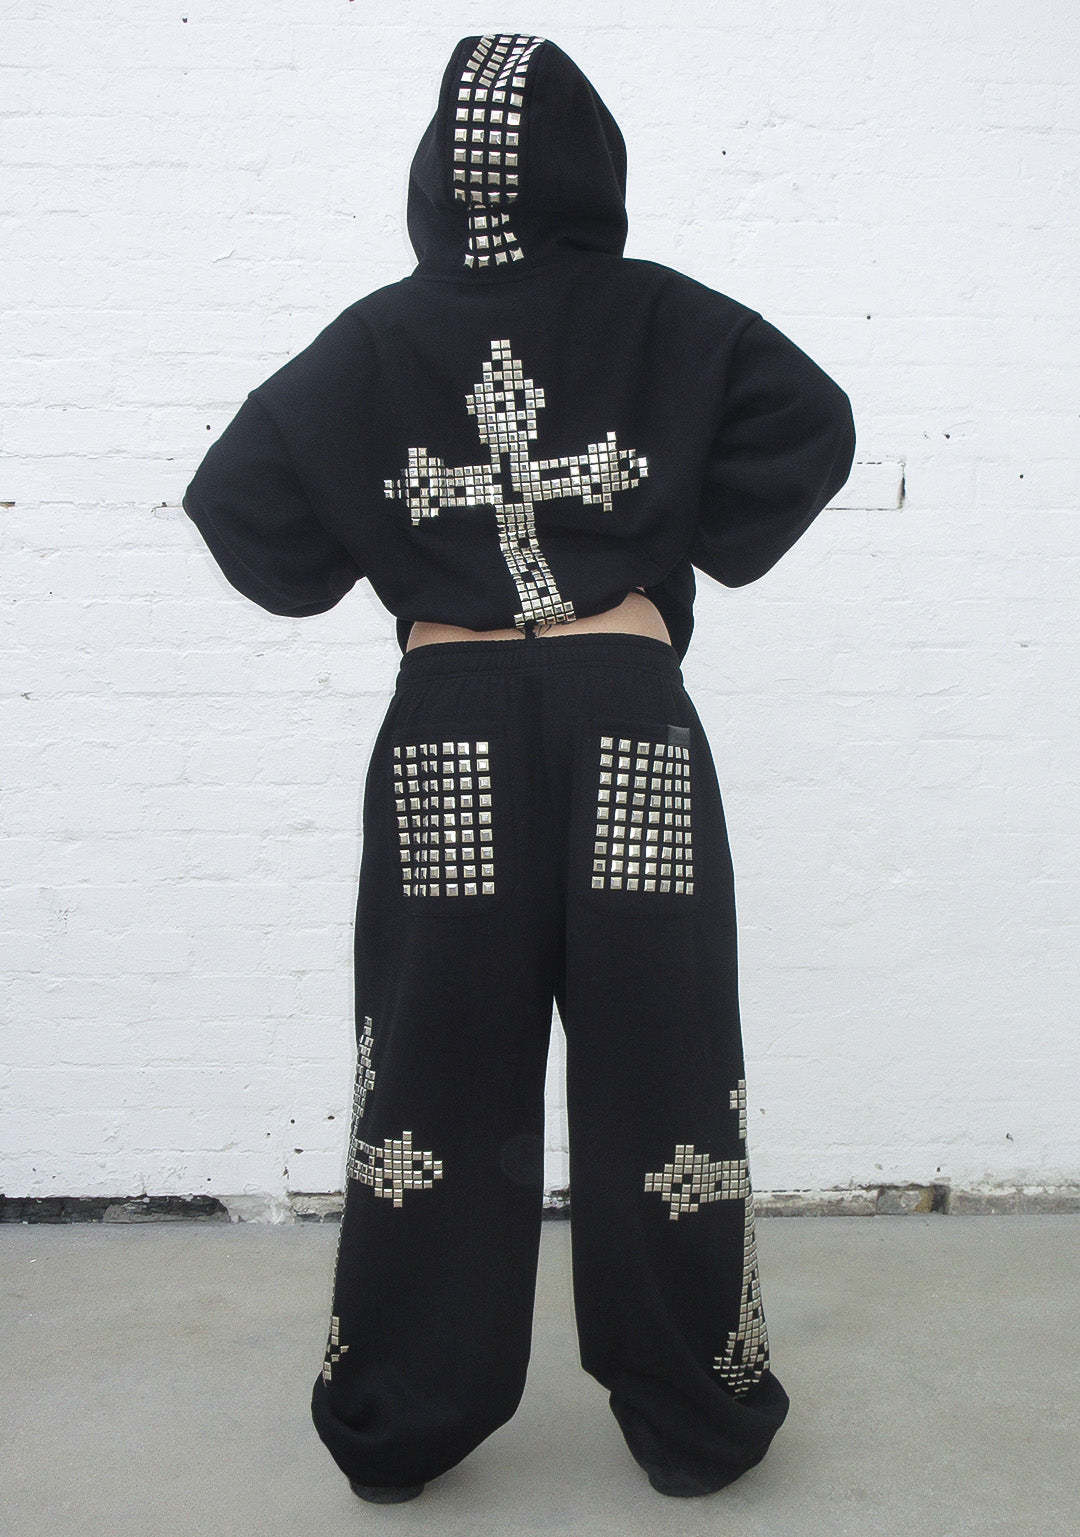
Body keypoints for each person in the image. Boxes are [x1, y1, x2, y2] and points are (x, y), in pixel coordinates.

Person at [181, 32, 856, 1504]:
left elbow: (239, 506)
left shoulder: (377, 339)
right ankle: (696, 1415)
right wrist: (679, 543)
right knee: (666, 1066)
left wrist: (391, 554)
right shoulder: (665, 315)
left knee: (432, 1072)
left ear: (437, 173)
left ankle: (399, 1419)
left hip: (452, 729)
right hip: (629, 719)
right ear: (591, 165)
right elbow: (815, 422)